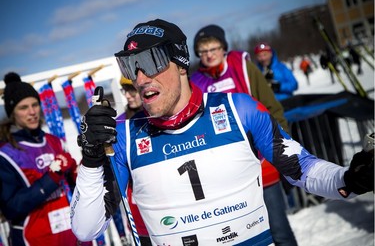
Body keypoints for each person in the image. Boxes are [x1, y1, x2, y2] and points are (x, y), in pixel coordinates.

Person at [70, 19, 374, 246]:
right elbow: (86, 228)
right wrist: (92, 159)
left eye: (150, 62)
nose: (140, 77)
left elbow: (302, 168)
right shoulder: (125, 138)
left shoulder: (240, 109)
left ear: (180, 64)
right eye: (130, 65)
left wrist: (348, 178)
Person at [190, 24, 297, 245]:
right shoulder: (196, 83)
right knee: (244, 237)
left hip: (262, 161)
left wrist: (283, 149)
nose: (209, 55)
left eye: (214, 48)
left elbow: (272, 108)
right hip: (228, 175)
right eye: (203, 51)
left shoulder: (242, 66)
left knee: (278, 229)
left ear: (224, 48)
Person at [0, 72, 79, 246]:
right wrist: (51, 178)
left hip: (70, 236)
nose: (32, 112)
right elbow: (11, 207)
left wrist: (79, 173)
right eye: (23, 107)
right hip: (33, 239)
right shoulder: (6, 154)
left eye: (35, 105)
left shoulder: (54, 141)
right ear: (13, 113)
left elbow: (74, 188)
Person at [118, 76, 152, 246]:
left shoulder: (159, 115)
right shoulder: (119, 123)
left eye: (131, 90)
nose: (128, 96)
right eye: (125, 91)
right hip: (137, 203)